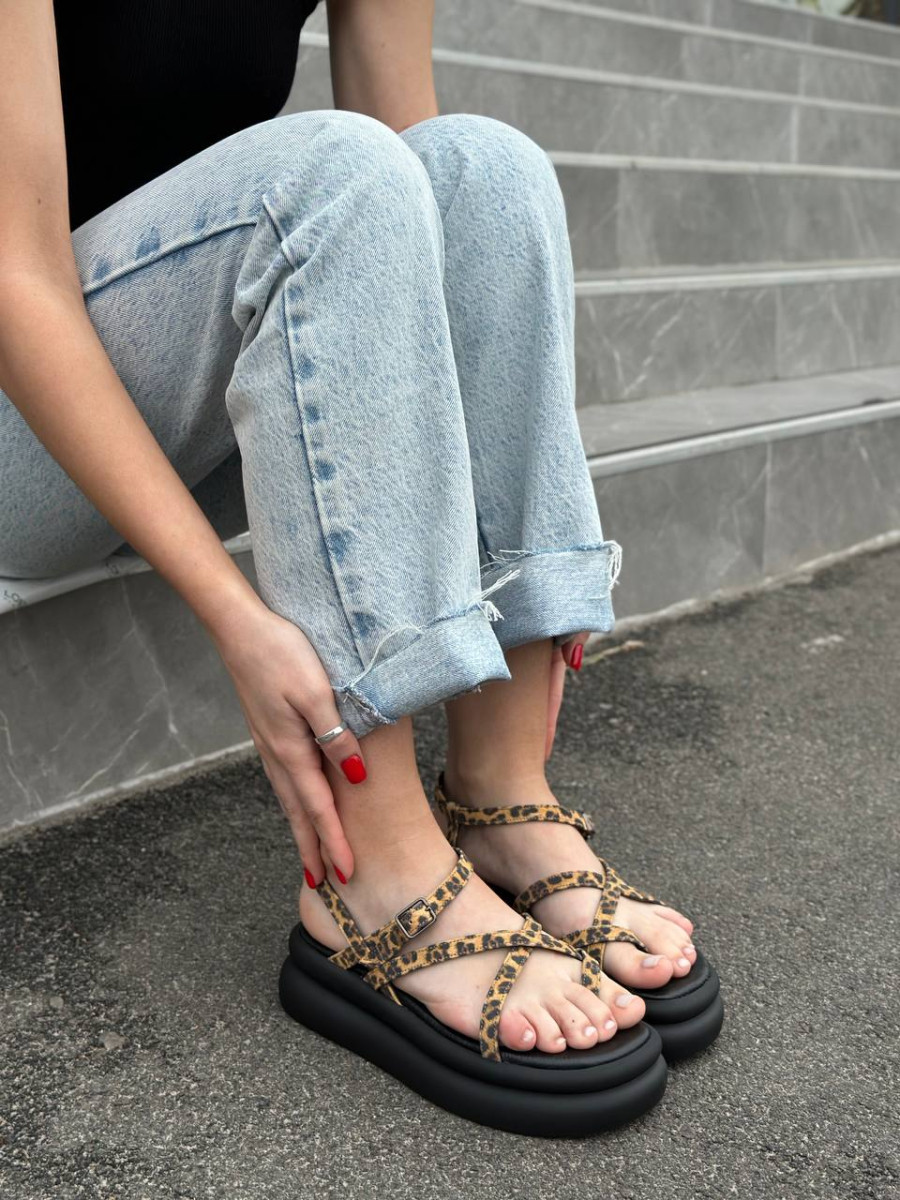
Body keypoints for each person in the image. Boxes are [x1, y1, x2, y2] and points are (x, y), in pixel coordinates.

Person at [0, 0, 720, 1135]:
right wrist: (231, 609)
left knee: (483, 169)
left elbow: (421, 212)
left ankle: (501, 792)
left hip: (171, 384)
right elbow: (18, 278)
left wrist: (509, 549)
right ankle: (371, 875)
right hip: (23, 408)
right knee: (329, 171)